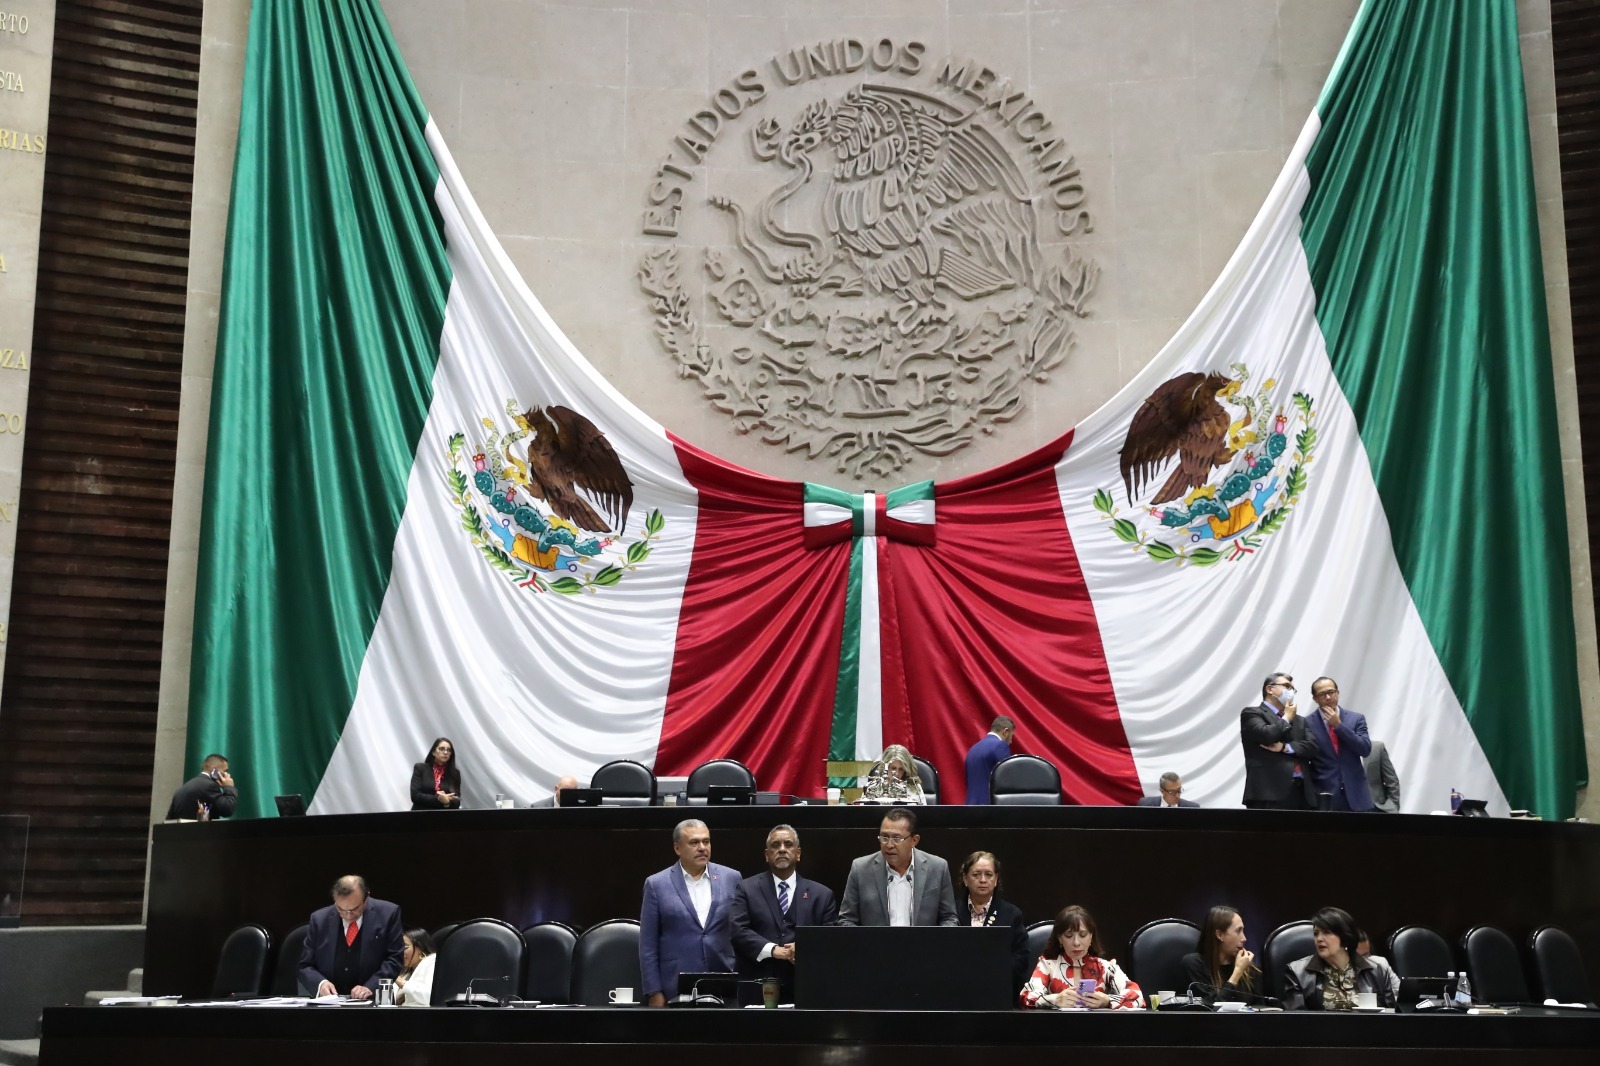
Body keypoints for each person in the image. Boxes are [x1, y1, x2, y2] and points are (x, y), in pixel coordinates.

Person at [728, 824, 838, 1003]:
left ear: (798, 853)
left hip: (807, 990)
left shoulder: (822, 895)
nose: (782, 849)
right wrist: (773, 950)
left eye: (788, 844)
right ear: (766, 854)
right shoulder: (746, 889)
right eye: (775, 845)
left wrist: (804, 946)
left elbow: (831, 938)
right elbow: (738, 931)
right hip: (757, 990)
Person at [639, 819, 741, 1007]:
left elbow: (740, 931)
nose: (702, 848)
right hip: (674, 986)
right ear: (678, 848)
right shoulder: (656, 884)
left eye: (706, 841)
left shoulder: (732, 878)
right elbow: (648, 945)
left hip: (723, 982)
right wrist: (654, 991)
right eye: (694, 843)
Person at [837, 807, 957, 927]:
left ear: (914, 840)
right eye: (884, 837)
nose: (889, 845)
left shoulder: (937, 867)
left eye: (897, 838)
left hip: (923, 944)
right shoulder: (861, 869)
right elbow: (846, 920)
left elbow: (949, 918)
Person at [298, 874, 406, 999]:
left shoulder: (388, 914)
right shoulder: (319, 919)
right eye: (340, 909)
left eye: (355, 909)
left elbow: (395, 958)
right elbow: (305, 965)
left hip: (375, 1001)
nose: (348, 916)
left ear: (367, 898)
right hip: (329, 1003)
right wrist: (320, 984)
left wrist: (371, 986)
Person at [1021, 905, 1144, 1009]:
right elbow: (1026, 997)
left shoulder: (1105, 967)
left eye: (1083, 935)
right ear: (1059, 938)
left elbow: (1138, 997)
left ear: (1091, 937)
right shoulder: (1047, 965)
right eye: (1069, 936)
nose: (1076, 943)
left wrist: (1107, 1000)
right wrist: (1055, 999)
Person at [1284, 906, 1399, 1010]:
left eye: (1327, 932)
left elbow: (1389, 1016)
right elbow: (1295, 1021)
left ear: (1345, 937)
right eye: (1316, 933)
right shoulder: (1297, 972)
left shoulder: (1376, 971)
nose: (1319, 938)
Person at [1240, 672, 1320, 809]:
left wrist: (1285, 747)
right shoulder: (1252, 713)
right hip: (1268, 792)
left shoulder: (1300, 720)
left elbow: (1313, 747)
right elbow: (1267, 735)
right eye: (1287, 686)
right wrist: (1286, 718)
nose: (1291, 692)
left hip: (1302, 792)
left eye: (1293, 689)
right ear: (1270, 689)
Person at [955, 850, 1031, 993]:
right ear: (965, 879)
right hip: (958, 988)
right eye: (976, 874)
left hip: (999, 989)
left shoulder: (1012, 914)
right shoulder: (952, 912)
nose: (983, 880)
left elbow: (1021, 958)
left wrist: (992, 972)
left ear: (996, 879)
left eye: (988, 875)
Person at [1303, 677, 1375, 811]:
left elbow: (1365, 749)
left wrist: (1339, 726)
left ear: (1338, 693)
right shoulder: (1306, 723)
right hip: (1324, 795)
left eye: (1331, 692)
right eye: (1322, 694)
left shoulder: (1356, 719)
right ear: (1315, 698)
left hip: (1356, 795)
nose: (1328, 697)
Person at [1181, 905, 1259, 1003]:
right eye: (1238, 931)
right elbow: (1211, 1010)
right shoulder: (1194, 964)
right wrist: (1237, 972)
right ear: (1219, 935)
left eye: (1243, 931)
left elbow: (1261, 1009)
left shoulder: (1248, 968)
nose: (1244, 938)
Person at [165, 753, 238, 821]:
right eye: (225, 771)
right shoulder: (209, 786)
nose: (226, 774)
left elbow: (169, 820)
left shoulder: (182, 789)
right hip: (200, 833)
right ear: (214, 770)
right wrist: (229, 787)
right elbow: (227, 810)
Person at [964, 716, 1014, 804]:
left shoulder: (973, 749)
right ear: (1005, 732)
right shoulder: (1000, 746)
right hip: (990, 809)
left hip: (970, 808)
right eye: (1011, 736)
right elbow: (1007, 780)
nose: (1011, 741)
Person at [858, 744, 926, 804]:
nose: (896, 773)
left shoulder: (915, 788)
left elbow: (924, 815)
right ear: (885, 767)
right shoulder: (872, 788)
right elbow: (863, 814)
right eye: (893, 768)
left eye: (901, 769)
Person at [409, 737, 461, 810]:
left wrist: (447, 803)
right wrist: (440, 799)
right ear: (433, 752)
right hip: (421, 815)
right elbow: (415, 796)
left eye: (449, 750)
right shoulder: (420, 768)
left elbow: (457, 802)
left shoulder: (455, 773)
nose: (445, 752)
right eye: (442, 749)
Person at [395, 927, 437, 1007]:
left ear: (420, 948)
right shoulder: (406, 969)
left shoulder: (432, 962)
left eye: (405, 947)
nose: (401, 952)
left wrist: (401, 982)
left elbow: (430, 997)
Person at [1364, 739, 1401, 813]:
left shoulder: (1376, 748)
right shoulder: (1337, 750)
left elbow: (1392, 780)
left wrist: (1392, 807)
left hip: (1377, 809)